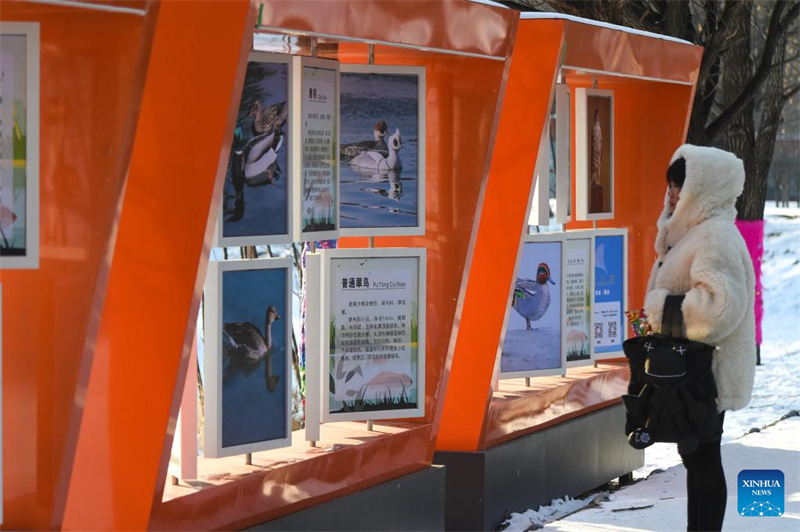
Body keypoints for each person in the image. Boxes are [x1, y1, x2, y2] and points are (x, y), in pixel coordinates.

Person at [644, 145, 756, 532]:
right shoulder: (696, 233)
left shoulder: (714, 236)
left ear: (701, 189)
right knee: (697, 458)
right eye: (671, 186)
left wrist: (661, 309)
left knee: (703, 460)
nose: (672, 194)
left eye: (679, 185)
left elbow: (717, 308)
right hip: (693, 369)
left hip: (707, 372)